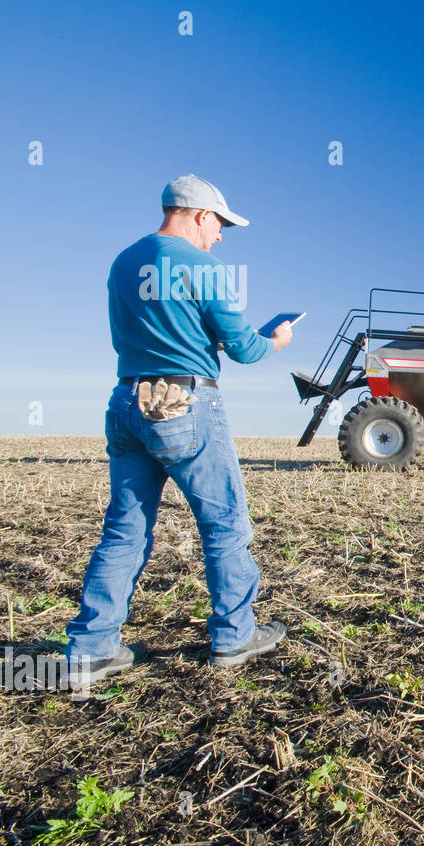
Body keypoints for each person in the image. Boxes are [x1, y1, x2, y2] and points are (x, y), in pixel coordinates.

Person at [65, 174, 294, 687]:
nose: (222, 236)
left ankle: (91, 649)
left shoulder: (125, 261)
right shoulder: (204, 267)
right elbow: (244, 349)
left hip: (128, 399)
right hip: (185, 402)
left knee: (124, 529)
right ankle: (235, 635)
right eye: (221, 224)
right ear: (199, 215)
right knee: (225, 524)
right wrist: (276, 340)